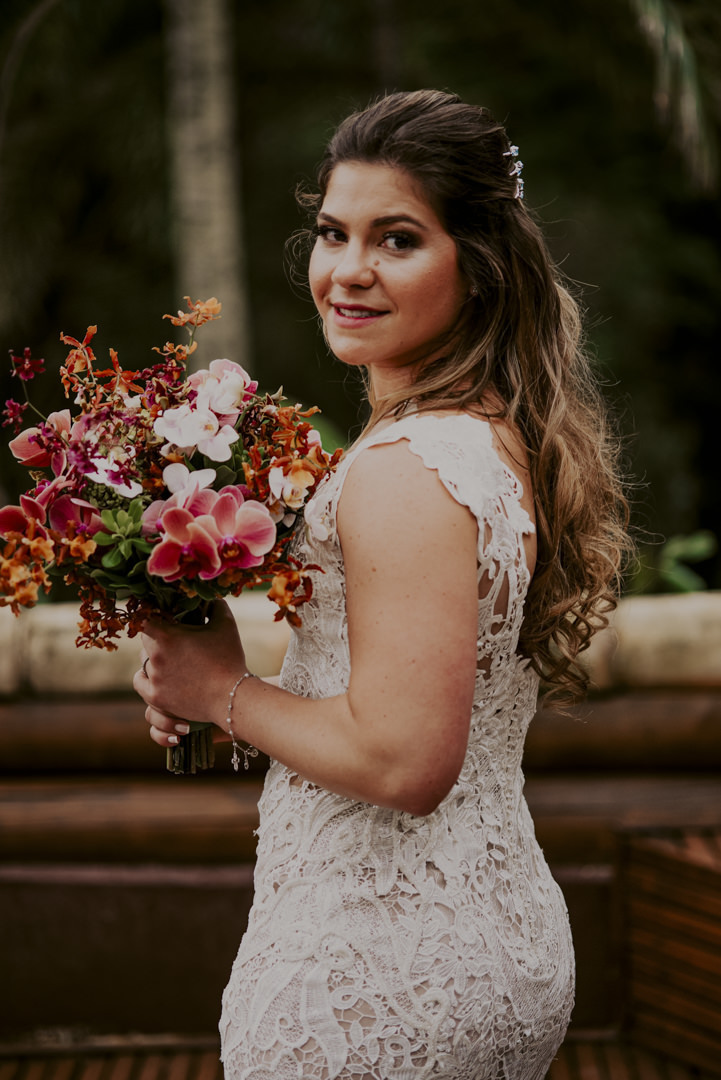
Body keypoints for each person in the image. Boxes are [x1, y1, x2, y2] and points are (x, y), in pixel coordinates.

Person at [134, 89, 630, 1079]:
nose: (346, 272)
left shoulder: (408, 467)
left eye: (395, 239)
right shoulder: (490, 434)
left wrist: (220, 694)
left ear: (478, 267)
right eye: (331, 232)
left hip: (380, 972)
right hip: (474, 936)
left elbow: (407, 763)